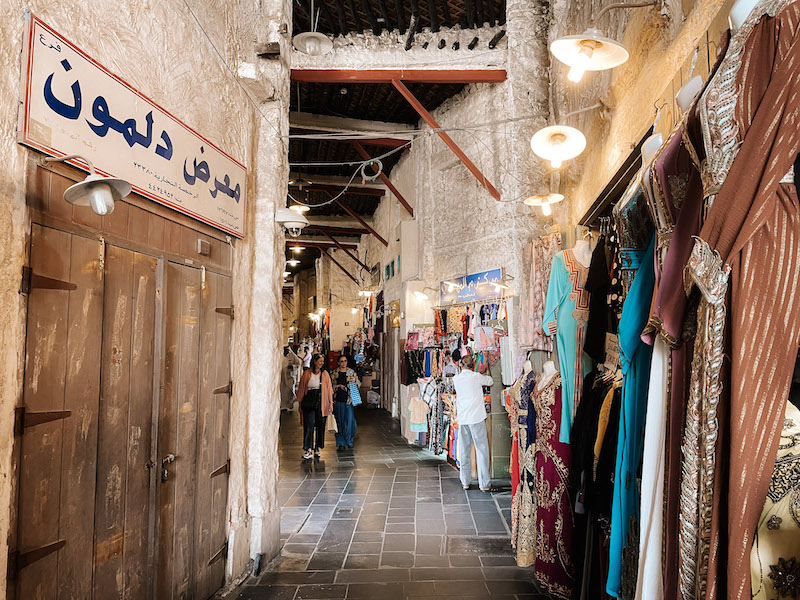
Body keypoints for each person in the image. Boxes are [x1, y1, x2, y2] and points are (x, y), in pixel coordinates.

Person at [452, 353, 494, 491]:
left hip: (463, 419)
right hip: (476, 418)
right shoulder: (476, 377)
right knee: (481, 450)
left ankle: (465, 481)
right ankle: (484, 484)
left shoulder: (456, 379)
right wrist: (487, 369)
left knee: (464, 451)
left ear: (461, 365)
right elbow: (490, 381)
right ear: (473, 365)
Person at [296, 354, 333, 459]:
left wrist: (330, 403)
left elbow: (329, 389)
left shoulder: (325, 374)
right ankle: (308, 448)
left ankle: (317, 447)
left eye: (322, 361)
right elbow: (302, 389)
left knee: (321, 425)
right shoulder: (307, 374)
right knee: (309, 425)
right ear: (314, 361)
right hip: (309, 402)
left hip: (322, 402)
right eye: (320, 361)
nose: (321, 363)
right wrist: (300, 403)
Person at [332, 354, 359, 450]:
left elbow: (358, 384)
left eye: (345, 361)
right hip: (338, 399)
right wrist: (338, 386)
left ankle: (349, 440)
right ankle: (340, 443)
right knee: (339, 421)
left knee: (350, 421)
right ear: (338, 362)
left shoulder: (351, 372)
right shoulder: (334, 373)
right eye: (342, 361)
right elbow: (330, 386)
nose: (343, 363)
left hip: (349, 400)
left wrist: (355, 381)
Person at [280, 346, 302, 411]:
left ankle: (289, 404)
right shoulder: (280, 356)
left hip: (289, 377)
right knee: (282, 393)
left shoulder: (292, 356)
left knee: (289, 392)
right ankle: (282, 406)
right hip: (282, 378)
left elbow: (297, 364)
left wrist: (292, 367)